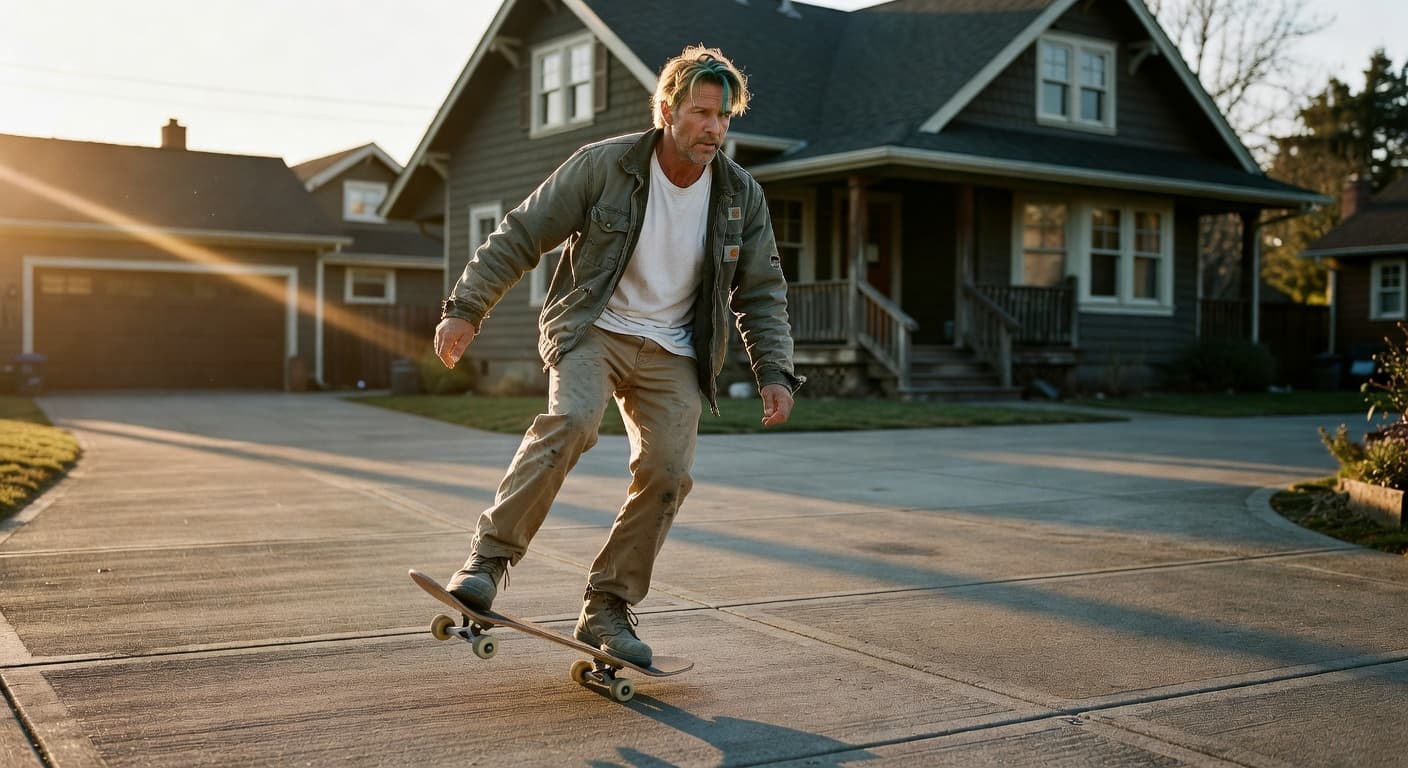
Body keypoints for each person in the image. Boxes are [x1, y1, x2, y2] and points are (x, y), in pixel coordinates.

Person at [433, 45, 802, 666]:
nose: (713, 128)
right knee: (572, 422)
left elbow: (762, 292)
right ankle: (487, 562)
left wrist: (774, 371)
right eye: (701, 112)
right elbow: (521, 233)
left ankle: (607, 606)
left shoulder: (740, 195)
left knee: (668, 472)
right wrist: (466, 308)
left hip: (676, 349)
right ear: (668, 110)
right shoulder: (604, 166)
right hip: (594, 328)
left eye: (723, 116)